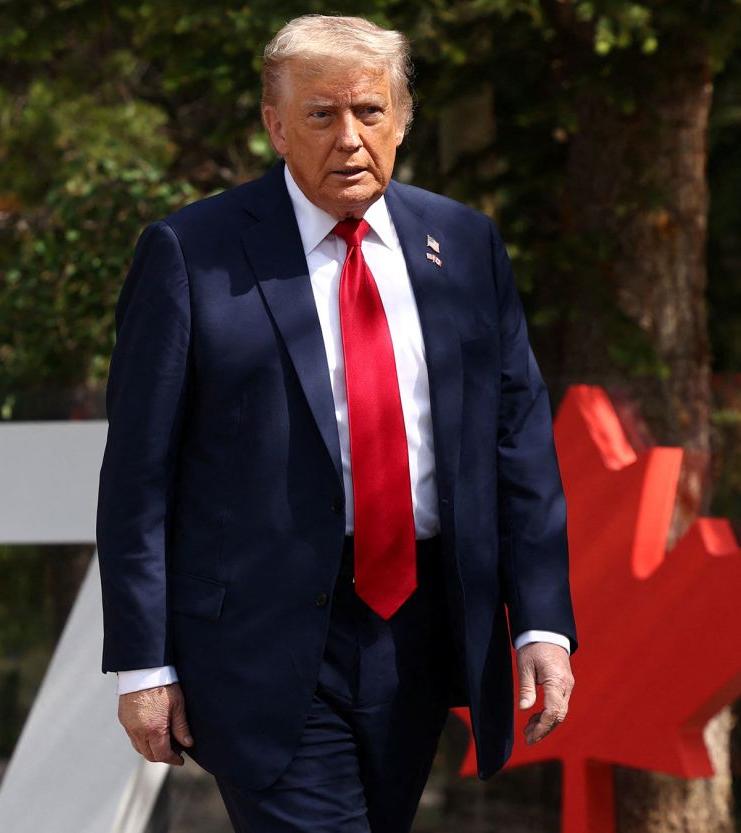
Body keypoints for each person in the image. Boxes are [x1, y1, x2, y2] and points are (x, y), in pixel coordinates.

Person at [96, 14, 577, 832]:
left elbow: (518, 443)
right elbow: (138, 474)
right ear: (275, 126)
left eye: (369, 111)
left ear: (402, 120)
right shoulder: (190, 252)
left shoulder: (464, 245)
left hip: (419, 627)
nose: (350, 138)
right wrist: (143, 663)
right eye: (321, 115)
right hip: (259, 640)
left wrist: (541, 621)